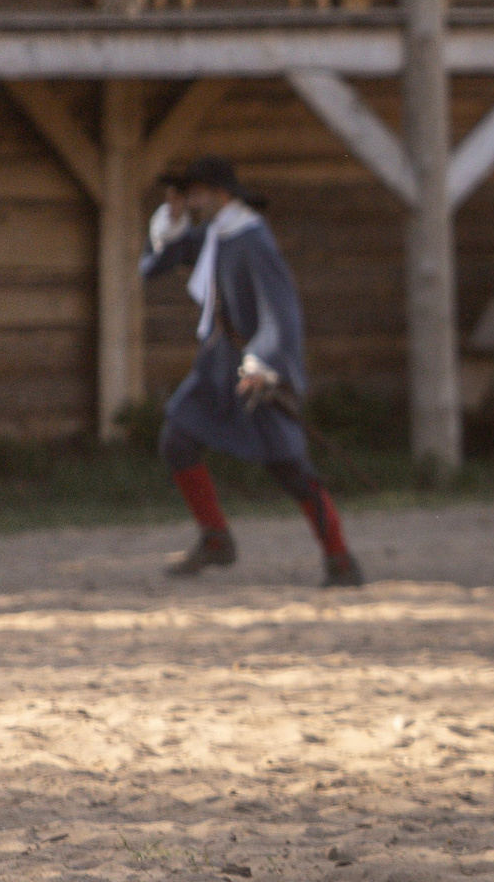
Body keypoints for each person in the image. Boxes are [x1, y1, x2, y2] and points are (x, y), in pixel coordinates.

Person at [141, 156, 365, 586]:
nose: (189, 199)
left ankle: (340, 560)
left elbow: (282, 314)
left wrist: (265, 365)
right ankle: (216, 539)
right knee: (177, 438)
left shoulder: (252, 239)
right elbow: (154, 266)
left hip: (257, 369)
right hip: (218, 365)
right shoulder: (214, 233)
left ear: (220, 193)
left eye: (194, 192)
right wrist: (170, 220)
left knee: (290, 468)